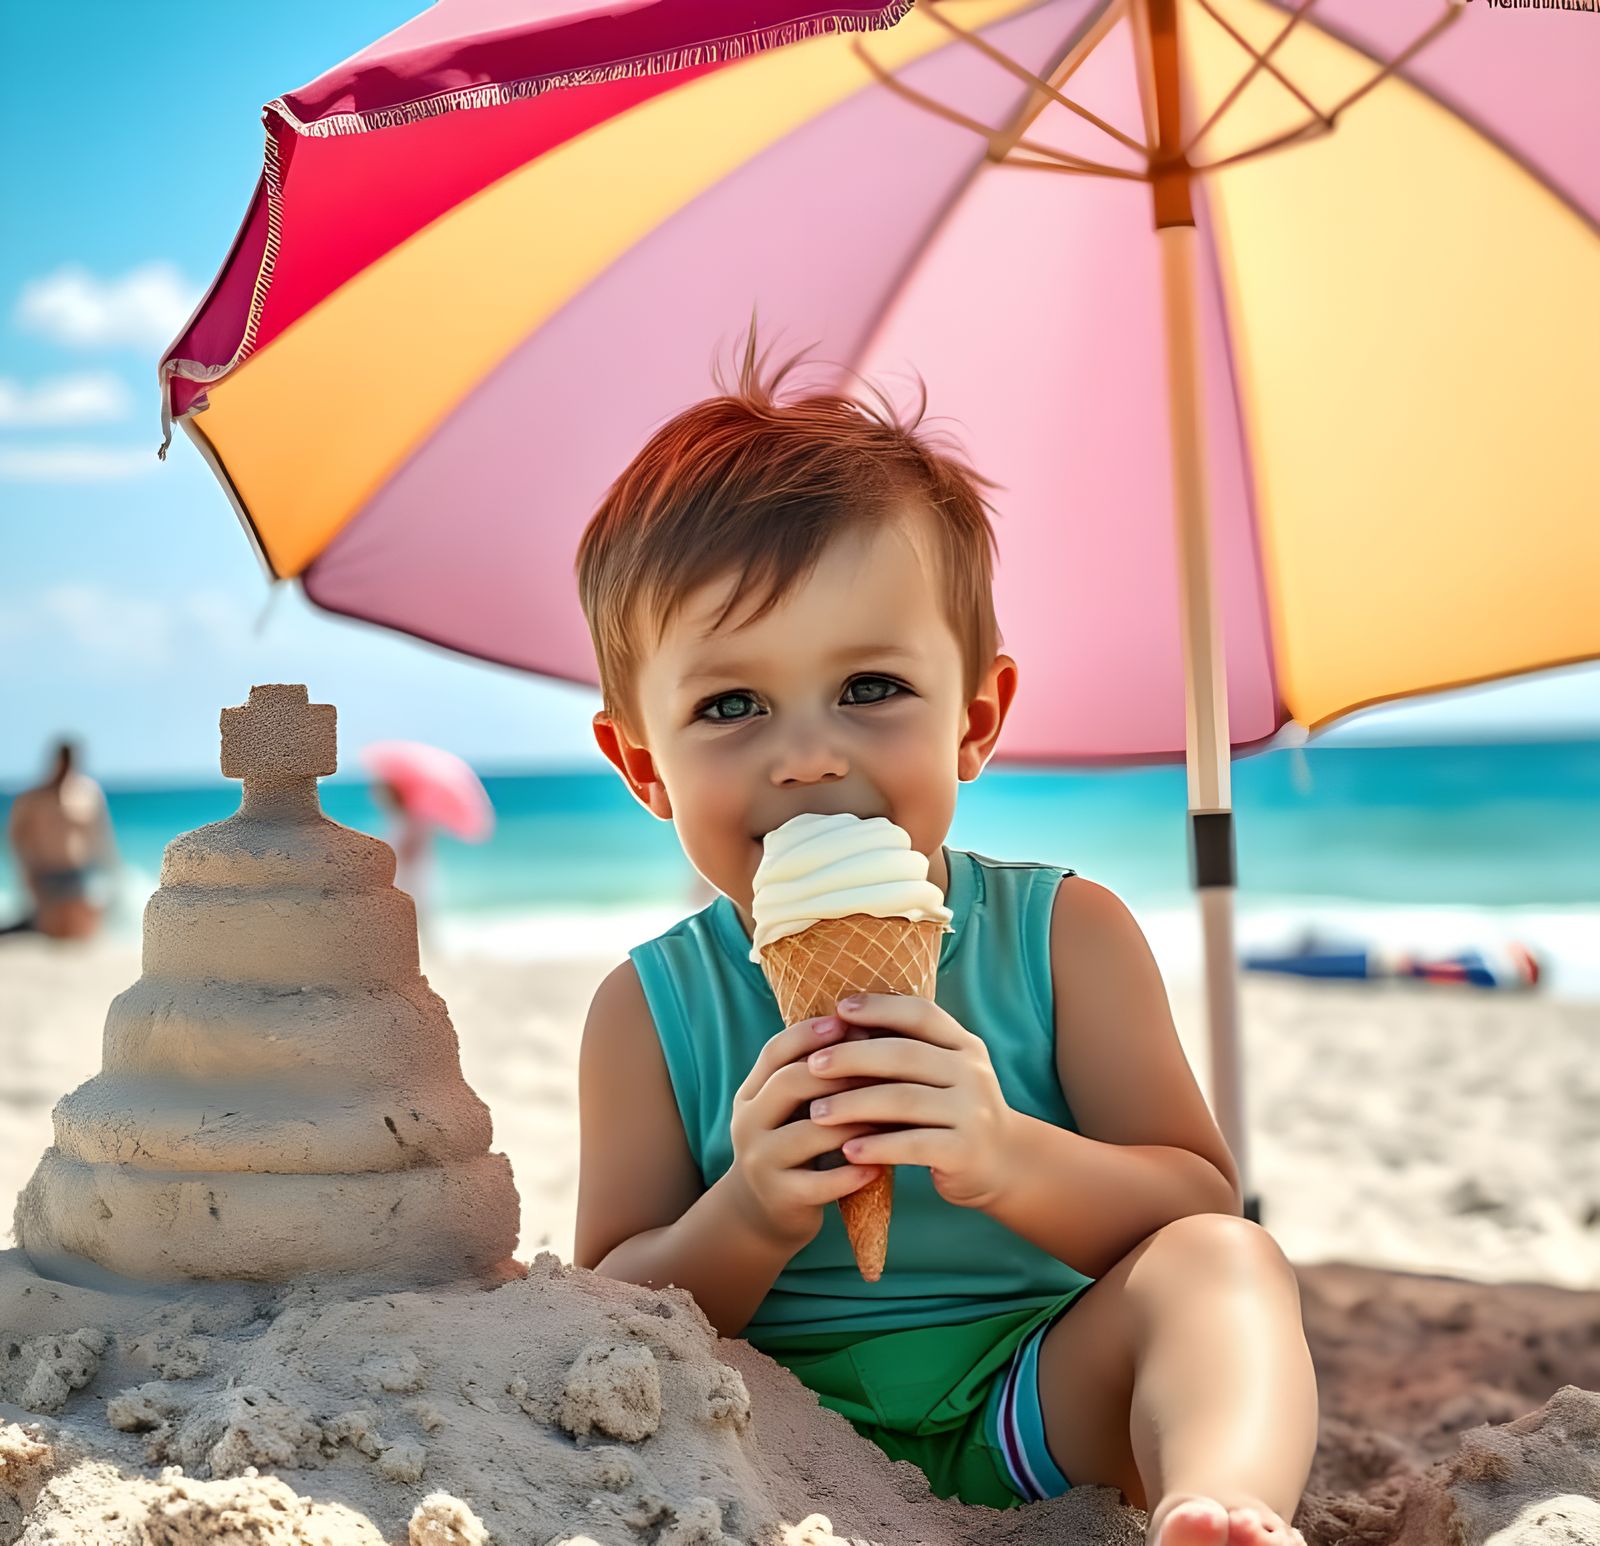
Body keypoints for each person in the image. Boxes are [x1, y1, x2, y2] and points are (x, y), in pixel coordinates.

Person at [569, 329, 1316, 1546]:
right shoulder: (647, 1009)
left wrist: (1004, 1155)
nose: (806, 753)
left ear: (976, 719)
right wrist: (750, 1210)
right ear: (643, 766)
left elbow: (1192, 1196)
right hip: (771, 1437)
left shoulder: (1065, 935)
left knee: (1225, 1266)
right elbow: (610, 1311)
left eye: (870, 688)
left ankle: (1216, 1507)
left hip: (1037, 1403)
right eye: (730, 704)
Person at [3, 738, 118, 940]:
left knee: (79, 933)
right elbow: (16, 835)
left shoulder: (88, 793)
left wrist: (111, 873)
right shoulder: (34, 797)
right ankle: (21, 927)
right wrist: (27, 871)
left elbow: (102, 836)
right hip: (46, 875)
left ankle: (25, 925)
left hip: (80, 874)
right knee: (53, 932)